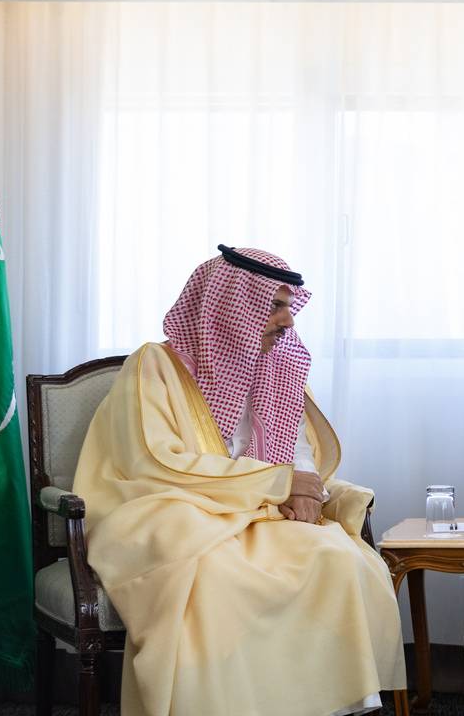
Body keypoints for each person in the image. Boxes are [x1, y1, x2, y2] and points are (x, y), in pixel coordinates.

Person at [73, 245, 405, 716]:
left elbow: (297, 457)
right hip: (167, 509)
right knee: (214, 574)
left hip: (256, 515)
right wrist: (277, 484)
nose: (288, 321)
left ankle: (328, 706)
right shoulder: (156, 366)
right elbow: (157, 461)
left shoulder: (278, 369)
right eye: (275, 305)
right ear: (229, 305)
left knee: (336, 557)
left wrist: (305, 492)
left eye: (291, 307)